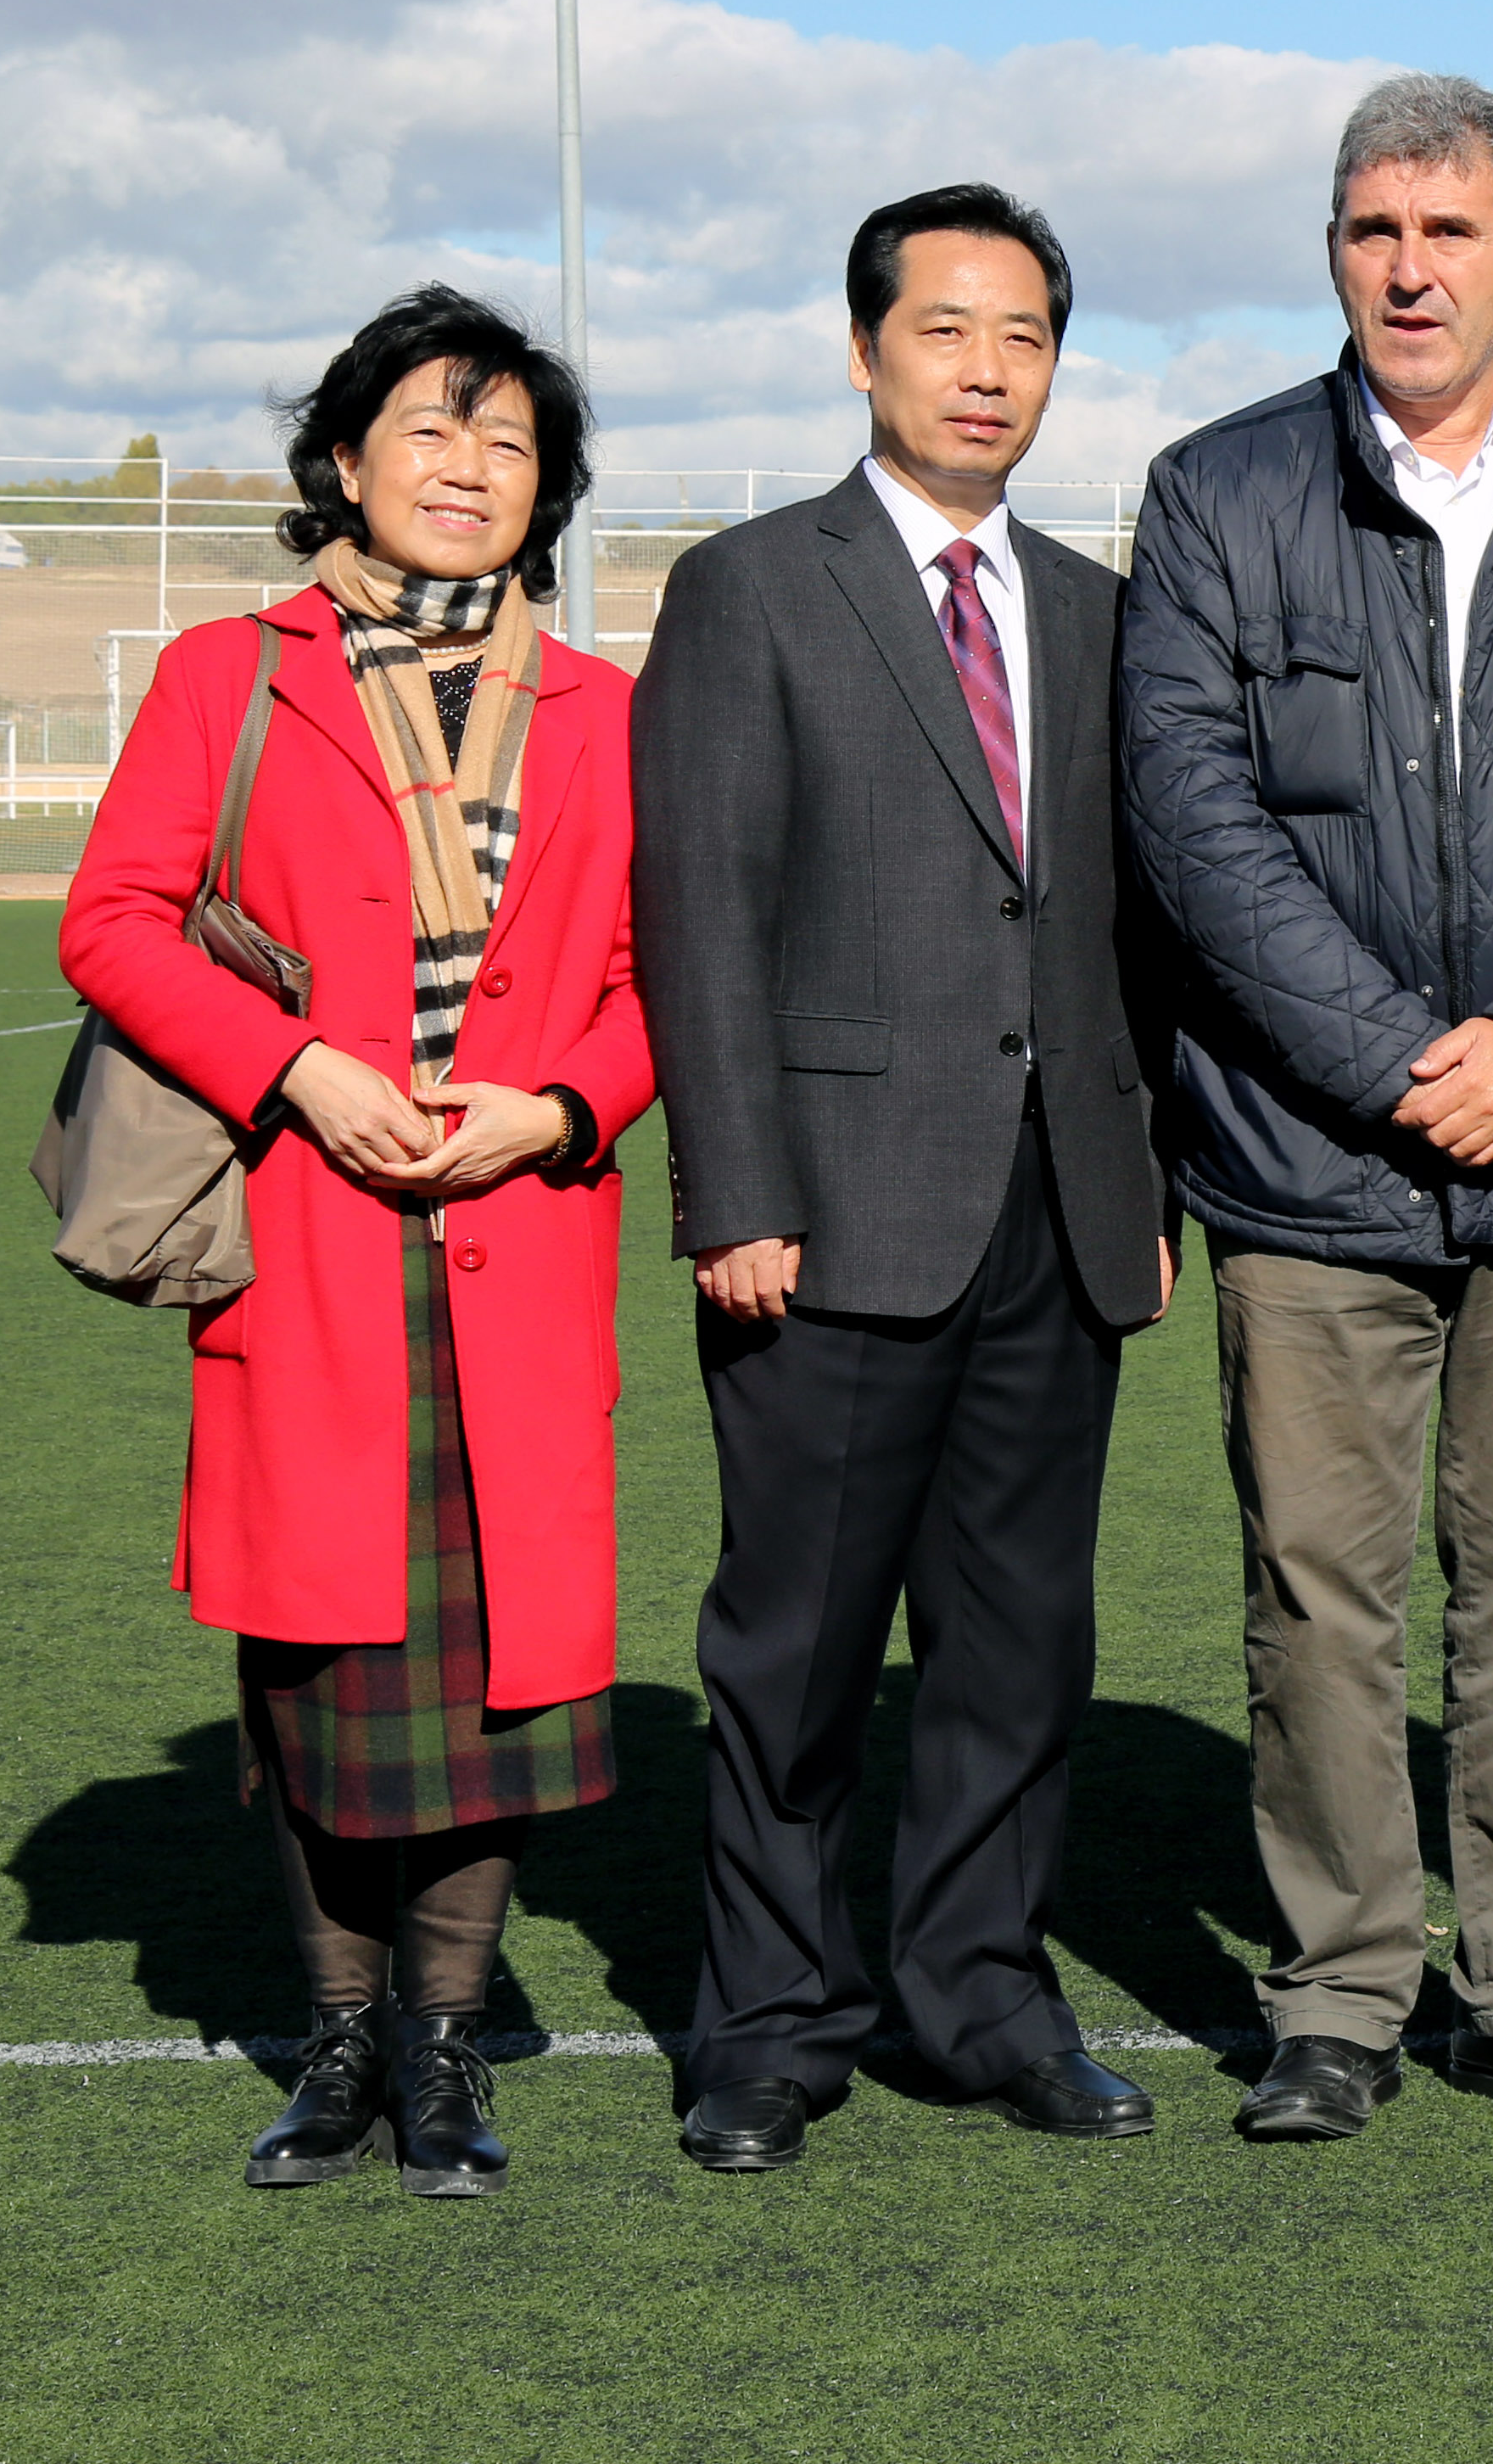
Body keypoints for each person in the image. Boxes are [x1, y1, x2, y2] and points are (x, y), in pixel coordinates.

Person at [1119, 73, 1493, 2141]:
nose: (1410, 267)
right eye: (1374, 230)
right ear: (1334, 253)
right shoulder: (1216, 491)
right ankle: (1340, 1992)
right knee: (1318, 1579)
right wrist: (1396, 1053)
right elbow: (1196, 824)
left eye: (1449, 232)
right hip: (1310, 1155)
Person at [61, 286, 655, 2198]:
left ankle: (445, 2038)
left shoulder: (608, 712)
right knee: (320, 1664)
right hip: (304, 1236)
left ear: (547, 484)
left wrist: (560, 1108)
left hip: (518, 1242)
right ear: (342, 460)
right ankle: (333, 2041)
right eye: (427, 429)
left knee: (495, 1688)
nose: (468, 467)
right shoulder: (229, 675)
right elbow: (118, 920)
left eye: (506, 440)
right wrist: (300, 1066)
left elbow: (667, 977)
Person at [633, 184, 1174, 2171]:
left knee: (1021, 1640)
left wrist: (1147, 1190)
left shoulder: (1106, 613)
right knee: (791, 1646)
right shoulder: (754, 586)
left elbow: (1128, 933)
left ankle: (983, 1993)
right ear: (863, 350)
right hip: (830, 1211)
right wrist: (734, 1187)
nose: (985, 368)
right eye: (945, 329)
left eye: (1023, 335)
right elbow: (702, 906)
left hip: (1060, 1209)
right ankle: (771, 2021)